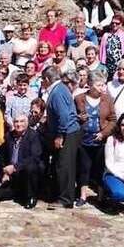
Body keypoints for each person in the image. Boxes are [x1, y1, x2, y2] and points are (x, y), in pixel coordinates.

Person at [42, 66, 83, 208]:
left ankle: (66, 199)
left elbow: (64, 116)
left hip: (68, 133)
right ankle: (62, 195)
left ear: (47, 79)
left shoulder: (57, 92)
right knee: (62, 165)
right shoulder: (59, 89)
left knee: (65, 166)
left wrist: (60, 135)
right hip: (68, 131)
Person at [74, 69, 115, 207]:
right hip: (84, 139)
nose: (102, 88)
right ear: (90, 84)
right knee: (84, 168)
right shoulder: (79, 98)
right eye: (99, 85)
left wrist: (103, 133)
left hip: (100, 140)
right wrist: (79, 118)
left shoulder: (107, 99)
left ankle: (100, 196)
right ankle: (82, 196)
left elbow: (113, 119)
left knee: (99, 168)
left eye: (103, 85)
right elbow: (73, 116)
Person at [0, 113, 44, 209]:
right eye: (16, 122)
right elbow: (2, 154)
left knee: (31, 167)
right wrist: (5, 171)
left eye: (22, 121)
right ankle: (19, 191)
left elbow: (34, 157)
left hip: (26, 170)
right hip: (14, 173)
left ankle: (31, 197)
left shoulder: (33, 135)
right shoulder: (9, 136)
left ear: (27, 123)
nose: (19, 124)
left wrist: (15, 167)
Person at [99, 15, 124, 79]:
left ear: (121, 24)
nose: (114, 25)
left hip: (120, 66)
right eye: (113, 23)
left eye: (117, 23)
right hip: (108, 65)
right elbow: (101, 51)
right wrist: (101, 64)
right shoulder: (106, 35)